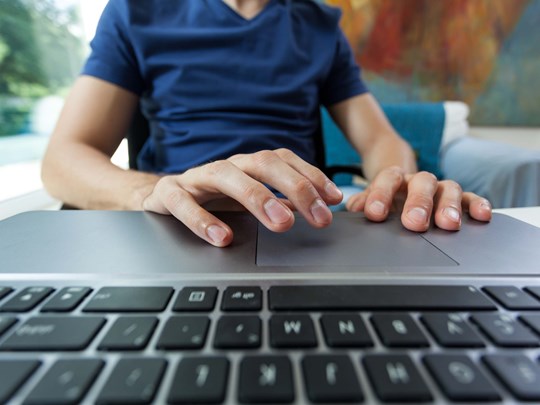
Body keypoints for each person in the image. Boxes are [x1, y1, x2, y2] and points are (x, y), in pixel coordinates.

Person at [41, 0, 492, 247]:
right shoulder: (135, 12)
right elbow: (64, 157)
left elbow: (379, 140)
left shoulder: (320, 26)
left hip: (303, 231)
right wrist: (152, 191)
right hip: (176, 228)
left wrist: (396, 181)